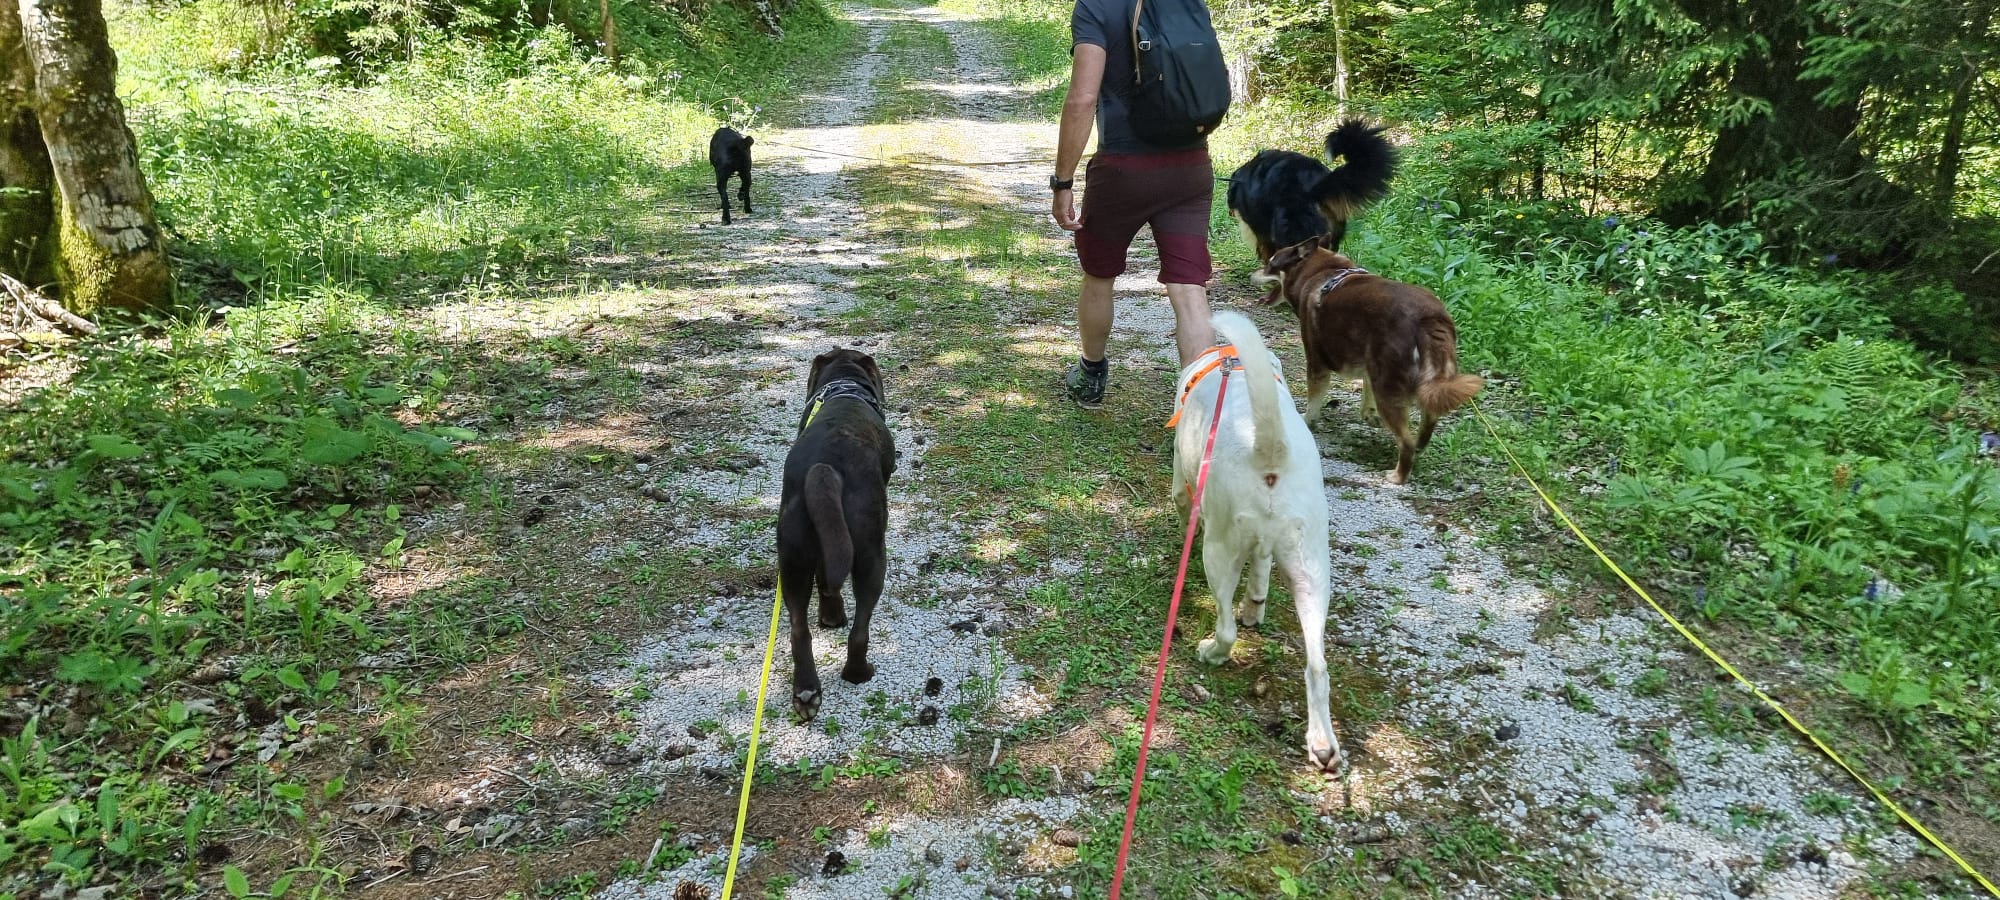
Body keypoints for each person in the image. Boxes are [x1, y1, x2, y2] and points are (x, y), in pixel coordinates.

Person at [1051, 0, 1217, 409]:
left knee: (1099, 274)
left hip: (1123, 170)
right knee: (1189, 288)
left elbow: (1081, 100)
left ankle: (1091, 376)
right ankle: (1202, 408)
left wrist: (1063, 181)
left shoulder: (1096, 7)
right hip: (1191, 166)